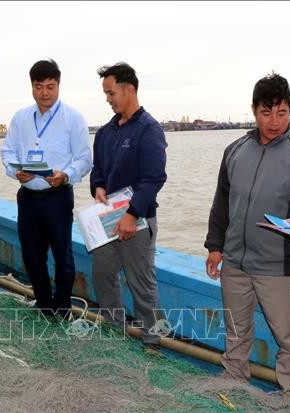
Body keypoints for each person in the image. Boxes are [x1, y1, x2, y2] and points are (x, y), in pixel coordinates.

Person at [204, 73, 290, 390]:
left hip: (279, 267)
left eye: (281, 113)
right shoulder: (234, 150)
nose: (274, 121)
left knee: (289, 338)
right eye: (266, 112)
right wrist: (215, 246)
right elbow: (222, 202)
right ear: (254, 110)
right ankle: (234, 385)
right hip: (234, 264)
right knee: (236, 332)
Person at [0, 59, 92, 317]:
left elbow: (85, 159)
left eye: (50, 86)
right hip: (27, 195)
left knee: (63, 256)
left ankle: (62, 306)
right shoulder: (21, 118)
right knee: (31, 254)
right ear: (32, 86)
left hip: (58, 196)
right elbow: (7, 150)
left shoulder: (73, 118)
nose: (45, 93)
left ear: (58, 85)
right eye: (39, 86)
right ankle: (42, 303)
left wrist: (66, 175)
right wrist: (15, 172)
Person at [90, 62, 167, 349]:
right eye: (106, 94)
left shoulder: (149, 130)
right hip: (108, 218)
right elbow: (99, 170)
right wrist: (97, 186)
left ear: (129, 89)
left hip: (138, 220)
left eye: (111, 93)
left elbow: (154, 178)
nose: (108, 99)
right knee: (103, 275)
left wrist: (133, 214)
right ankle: (114, 332)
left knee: (142, 284)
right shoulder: (106, 133)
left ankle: (153, 340)